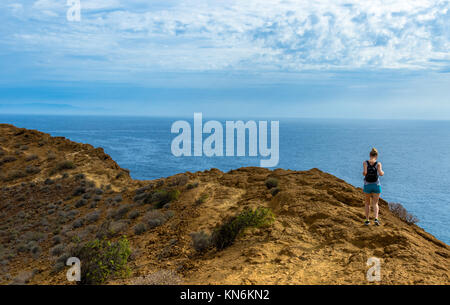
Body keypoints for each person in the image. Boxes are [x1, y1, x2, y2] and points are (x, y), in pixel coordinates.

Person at [363, 148, 384, 226]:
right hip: (376, 185)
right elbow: (381, 173)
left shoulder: (365, 163)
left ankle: (367, 220)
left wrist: (364, 173)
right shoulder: (378, 163)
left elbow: (365, 173)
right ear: (376, 155)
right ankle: (376, 219)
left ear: (369, 155)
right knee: (375, 203)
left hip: (367, 185)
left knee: (367, 203)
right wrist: (383, 172)